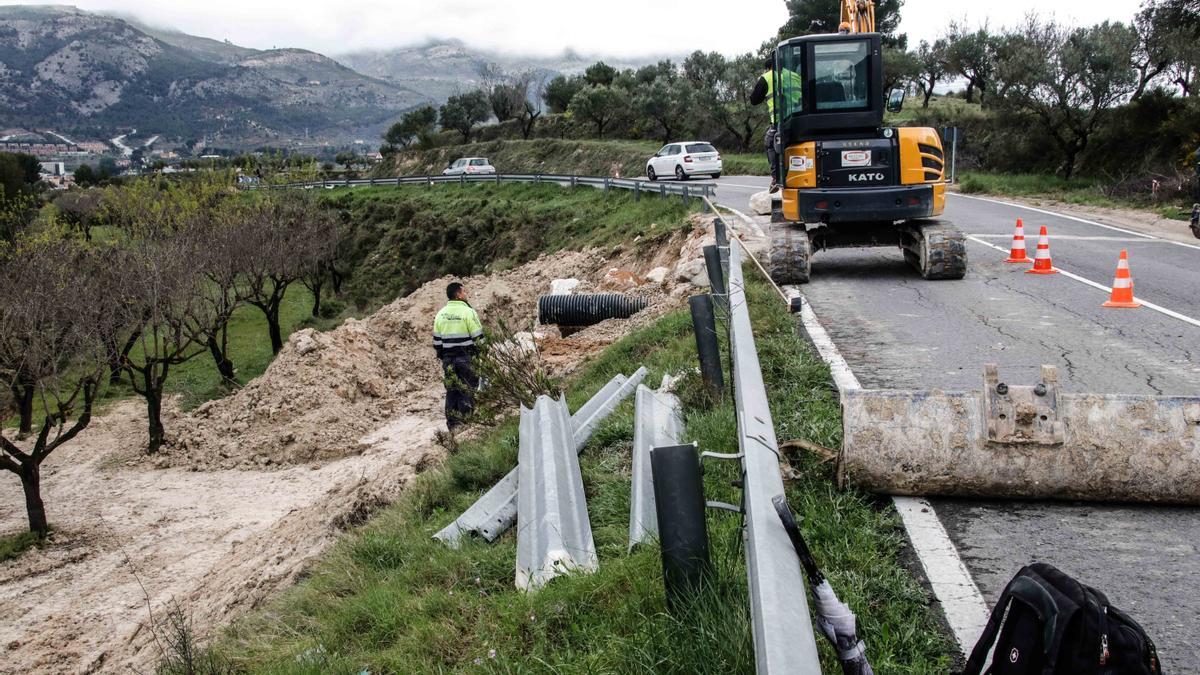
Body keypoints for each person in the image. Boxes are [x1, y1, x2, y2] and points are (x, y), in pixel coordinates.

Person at [433, 282, 483, 431]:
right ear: (459, 294)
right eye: (464, 291)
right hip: (466, 358)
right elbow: (479, 338)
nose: (466, 294)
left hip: (448, 359)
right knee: (467, 390)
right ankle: (467, 425)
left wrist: (445, 357)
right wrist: (481, 355)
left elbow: (437, 342)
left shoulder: (440, 314)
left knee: (452, 391)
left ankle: (453, 426)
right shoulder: (469, 312)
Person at [750, 54, 802, 193]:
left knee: (770, 142)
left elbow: (754, 100)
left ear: (769, 67)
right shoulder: (794, 75)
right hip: (799, 119)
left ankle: (776, 177)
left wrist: (762, 79)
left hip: (780, 121)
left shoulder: (768, 77)